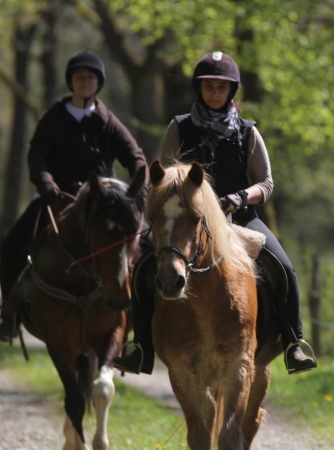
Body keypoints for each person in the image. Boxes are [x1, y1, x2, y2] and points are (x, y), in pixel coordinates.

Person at [113, 51, 317, 375]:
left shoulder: (248, 132)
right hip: (185, 218)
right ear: (199, 88)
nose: (215, 93)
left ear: (231, 91)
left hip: (237, 216)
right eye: (209, 86)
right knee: (143, 267)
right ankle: (142, 347)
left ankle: (294, 342)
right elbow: (165, 176)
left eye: (222, 87)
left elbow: (266, 182)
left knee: (284, 267)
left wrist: (240, 197)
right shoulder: (179, 127)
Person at [0, 50, 147, 342]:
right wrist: (46, 183)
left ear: (98, 83)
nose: (85, 81)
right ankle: (9, 315)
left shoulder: (107, 120)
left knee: (146, 249)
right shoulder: (54, 118)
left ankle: (144, 332)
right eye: (79, 77)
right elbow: (37, 155)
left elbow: (135, 156)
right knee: (11, 246)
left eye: (90, 77)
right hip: (57, 197)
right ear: (71, 82)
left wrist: (138, 185)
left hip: (102, 203)